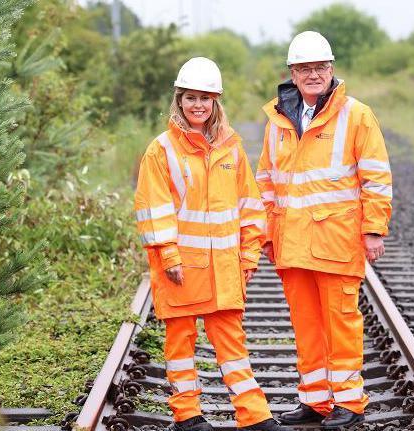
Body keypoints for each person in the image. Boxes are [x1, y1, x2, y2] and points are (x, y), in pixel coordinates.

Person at [135, 57, 291, 431]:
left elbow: (250, 207)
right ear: (179, 100)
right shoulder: (162, 150)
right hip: (180, 267)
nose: (198, 105)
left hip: (224, 268)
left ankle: (254, 416)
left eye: (205, 98)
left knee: (233, 346)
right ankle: (188, 416)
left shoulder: (231, 149)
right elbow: (153, 208)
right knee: (180, 344)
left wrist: (250, 255)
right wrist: (169, 254)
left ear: (216, 102)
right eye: (191, 98)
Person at [255, 31, 393, 428]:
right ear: (292, 73)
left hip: (336, 241)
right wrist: (266, 232)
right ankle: (314, 401)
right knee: (306, 326)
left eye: (320, 67)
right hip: (292, 243)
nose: (313, 74)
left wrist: (374, 229)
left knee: (342, 323)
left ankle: (350, 403)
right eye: (304, 69)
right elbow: (264, 179)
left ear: (331, 70)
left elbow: (376, 178)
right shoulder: (277, 120)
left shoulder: (356, 115)